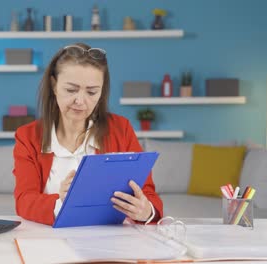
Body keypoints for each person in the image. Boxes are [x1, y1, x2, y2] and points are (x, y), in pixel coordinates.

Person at [13, 43, 163, 226]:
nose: (81, 101)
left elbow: (148, 195)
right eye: (71, 90)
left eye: (92, 92)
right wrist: (61, 201)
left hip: (109, 242)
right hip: (50, 242)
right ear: (54, 85)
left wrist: (146, 211)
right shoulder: (28, 136)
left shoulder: (120, 129)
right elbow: (24, 201)